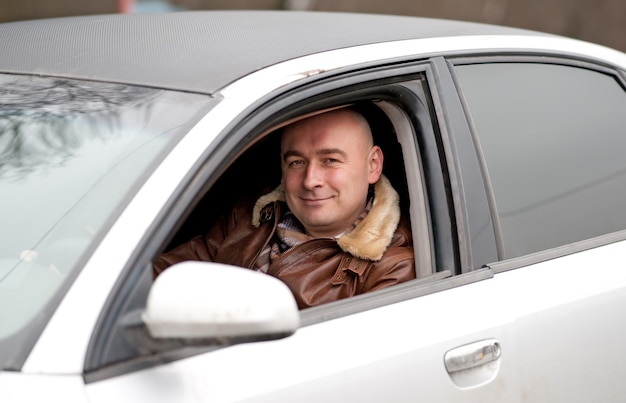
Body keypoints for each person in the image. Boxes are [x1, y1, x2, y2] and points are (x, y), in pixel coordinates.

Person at [153, 106, 415, 309]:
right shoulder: (255, 215)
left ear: (373, 165)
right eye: (297, 162)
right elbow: (163, 275)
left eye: (331, 160)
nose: (311, 180)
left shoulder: (392, 266)